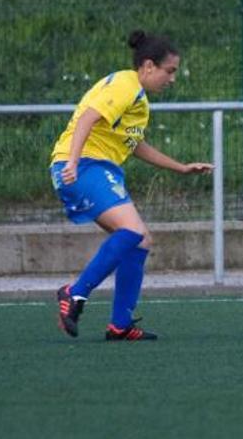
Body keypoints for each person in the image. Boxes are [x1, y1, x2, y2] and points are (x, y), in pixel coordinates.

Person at [51, 30, 213, 341]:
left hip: (94, 167)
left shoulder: (137, 98)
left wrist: (180, 167)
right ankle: (74, 293)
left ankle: (119, 324)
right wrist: (72, 162)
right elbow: (86, 119)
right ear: (148, 66)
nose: (173, 79)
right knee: (133, 233)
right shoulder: (126, 85)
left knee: (140, 241)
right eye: (170, 71)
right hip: (83, 166)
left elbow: (134, 144)